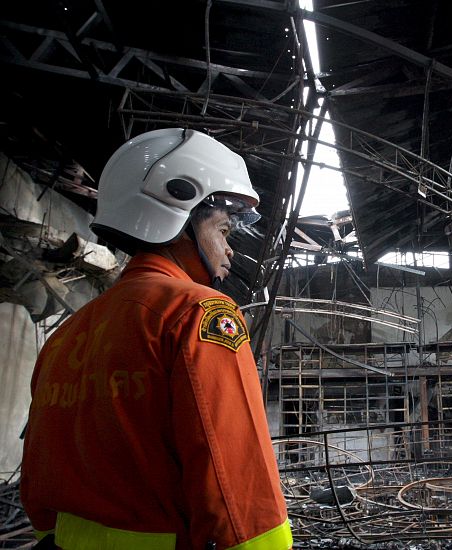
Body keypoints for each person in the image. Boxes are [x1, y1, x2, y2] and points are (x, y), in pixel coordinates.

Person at [20, 128, 292, 550]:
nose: (230, 250)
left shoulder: (68, 333)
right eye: (223, 230)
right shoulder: (199, 313)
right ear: (181, 218)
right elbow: (236, 485)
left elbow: (39, 476)